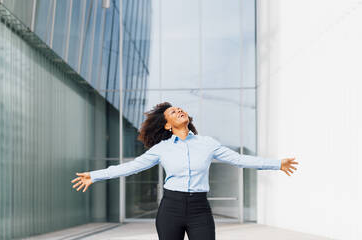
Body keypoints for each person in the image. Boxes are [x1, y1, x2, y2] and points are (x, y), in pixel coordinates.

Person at [71, 102, 298, 240]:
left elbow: (239, 159)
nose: (179, 110)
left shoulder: (207, 143)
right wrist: (95, 175)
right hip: (171, 209)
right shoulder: (161, 149)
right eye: (172, 111)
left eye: (179, 108)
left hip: (200, 210)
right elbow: (130, 167)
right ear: (168, 125)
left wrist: (277, 164)